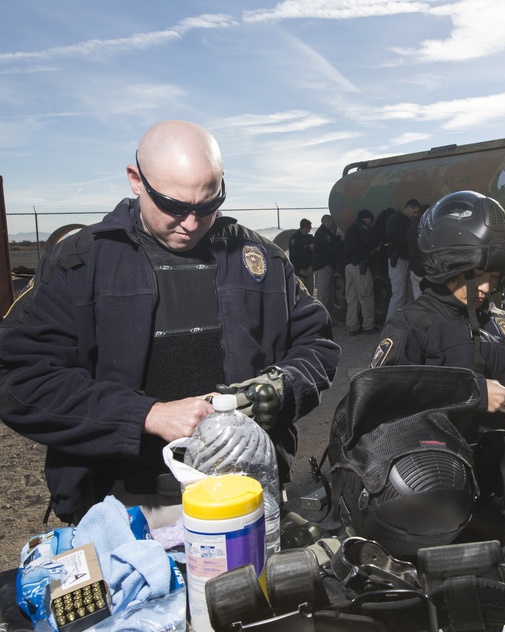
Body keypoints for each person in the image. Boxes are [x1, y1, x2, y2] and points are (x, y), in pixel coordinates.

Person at [0, 120, 341, 527]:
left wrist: (279, 388)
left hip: (248, 495)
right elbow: (21, 379)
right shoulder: (82, 263)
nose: (192, 223)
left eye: (208, 204)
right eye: (174, 206)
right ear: (135, 180)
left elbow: (316, 345)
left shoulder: (260, 260)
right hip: (126, 505)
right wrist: (146, 415)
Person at [370, 190, 505, 435]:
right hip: (438, 465)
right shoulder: (411, 327)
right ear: (447, 268)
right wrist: (471, 393)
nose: (486, 288)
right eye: (476, 276)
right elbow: (383, 399)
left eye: (493, 277)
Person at [383, 198, 420, 320]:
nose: (415, 215)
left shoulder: (404, 220)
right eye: (414, 212)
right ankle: (390, 324)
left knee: (405, 295)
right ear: (408, 207)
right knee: (398, 294)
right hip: (398, 260)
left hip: (403, 259)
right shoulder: (395, 219)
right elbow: (390, 237)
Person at [343, 209, 378, 335]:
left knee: (352, 298)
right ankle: (368, 325)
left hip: (348, 266)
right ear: (367, 218)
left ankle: (352, 326)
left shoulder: (350, 228)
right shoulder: (361, 226)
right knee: (366, 296)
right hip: (360, 266)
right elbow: (370, 241)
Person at [313, 213, 344, 320]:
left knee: (328, 294)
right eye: (332, 222)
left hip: (326, 266)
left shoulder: (325, 233)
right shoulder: (324, 234)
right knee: (324, 294)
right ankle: (319, 320)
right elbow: (333, 248)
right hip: (323, 267)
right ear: (328, 221)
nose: (334, 225)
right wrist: (340, 241)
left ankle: (326, 319)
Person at [288, 217, 314, 294]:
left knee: (310, 292)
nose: (310, 229)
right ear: (304, 227)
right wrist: (308, 248)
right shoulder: (295, 238)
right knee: (300, 292)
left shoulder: (309, 238)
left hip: (308, 268)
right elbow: (295, 252)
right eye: (308, 227)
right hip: (300, 269)